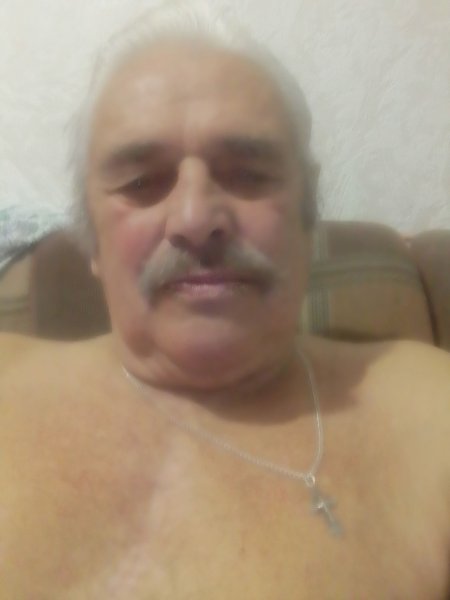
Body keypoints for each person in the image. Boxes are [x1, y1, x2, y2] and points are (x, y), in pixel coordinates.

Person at [0, 2, 449, 598]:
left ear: (306, 216)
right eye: (141, 182)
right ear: (93, 238)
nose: (195, 218)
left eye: (249, 174)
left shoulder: (431, 414)